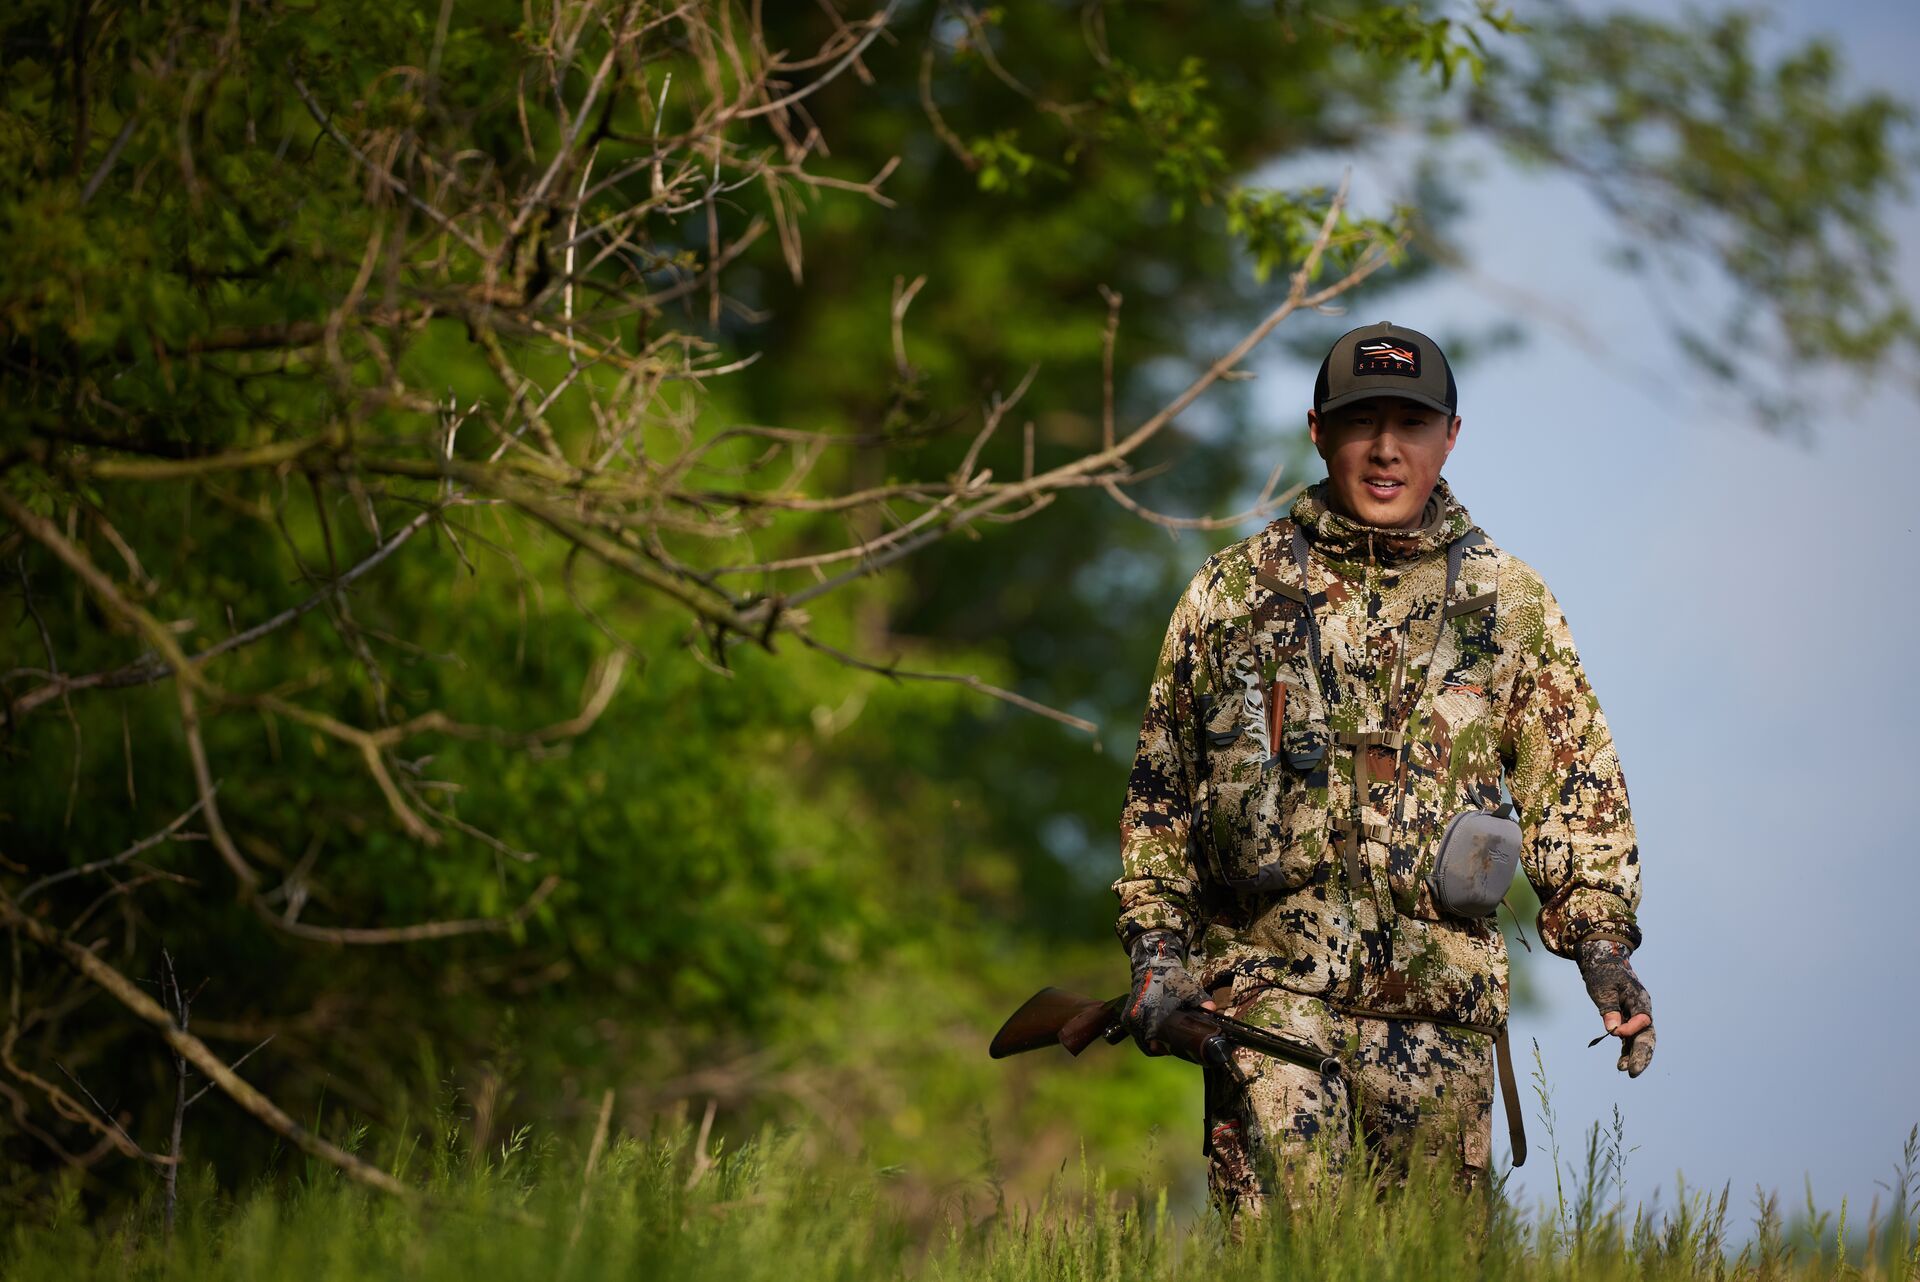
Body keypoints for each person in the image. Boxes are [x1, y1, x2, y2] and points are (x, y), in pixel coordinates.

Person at [1112, 321, 1654, 1220]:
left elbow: (1580, 791)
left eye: (1412, 422)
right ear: (1319, 429)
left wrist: (1606, 956)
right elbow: (1161, 801)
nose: (1387, 449)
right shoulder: (1232, 594)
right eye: (1365, 421)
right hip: (1266, 1011)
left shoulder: (1507, 604)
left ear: (1452, 435)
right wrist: (1158, 957)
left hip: (1441, 1020)